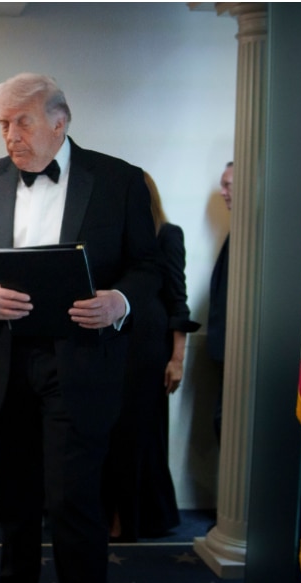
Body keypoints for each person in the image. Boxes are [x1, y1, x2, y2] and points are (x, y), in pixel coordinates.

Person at [0, 73, 159, 583]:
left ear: (60, 122)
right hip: (6, 362)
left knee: (72, 502)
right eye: (3, 125)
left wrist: (120, 301)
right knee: (14, 496)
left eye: (22, 123)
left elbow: (149, 266)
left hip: (80, 363)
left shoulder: (118, 181)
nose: (11, 136)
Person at [102, 172, 199, 541]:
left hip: (148, 349)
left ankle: (132, 518)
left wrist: (177, 358)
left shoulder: (167, 233)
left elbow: (178, 299)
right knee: (107, 432)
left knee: (138, 433)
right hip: (111, 344)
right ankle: (108, 513)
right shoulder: (112, 237)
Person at [206, 162, 233, 439]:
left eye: (228, 185)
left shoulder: (250, 238)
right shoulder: (232, 234)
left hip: (237, 358)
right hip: (223, 357)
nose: (223, 192)